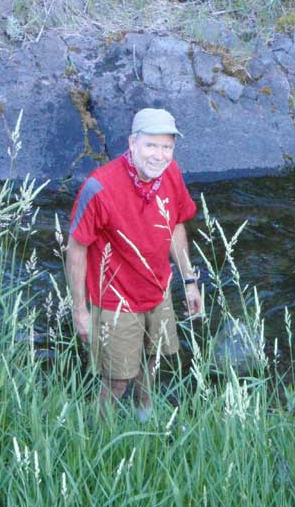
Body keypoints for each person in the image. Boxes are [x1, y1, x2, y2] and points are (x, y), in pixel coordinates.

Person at [66, 108, 202, 422]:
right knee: (117, 379)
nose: (159, 155)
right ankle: (96, 437)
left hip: (158, 289)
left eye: (167, 147)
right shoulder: (99, 187)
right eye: (151, 146)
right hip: (115, 299)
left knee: (152, 362)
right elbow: (76, 248)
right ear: (132, 143)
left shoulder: (170, 173)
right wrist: (80, 310)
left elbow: (175, 224)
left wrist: (189, 281)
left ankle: (146, 417)